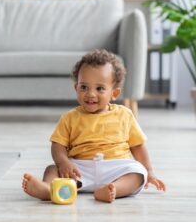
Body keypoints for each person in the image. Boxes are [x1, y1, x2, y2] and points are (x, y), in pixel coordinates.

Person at [22, 49, 166, 203]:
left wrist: (149, 171)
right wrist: (63, 163)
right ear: (76, 87)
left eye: (99, 88)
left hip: (116, 167)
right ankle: (49, 189)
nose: (90, 94)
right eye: (84, 87)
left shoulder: (125, 114)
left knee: (138, 173)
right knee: (52, 169)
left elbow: (137, 146)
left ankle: (113, 190)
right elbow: (58, 146)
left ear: (114, 93)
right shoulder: (70, 117)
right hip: (79, 170)